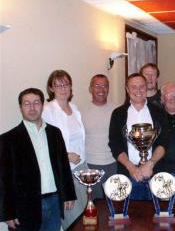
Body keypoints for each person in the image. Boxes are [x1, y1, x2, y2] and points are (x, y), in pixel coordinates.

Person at [0, 88, 76, 231]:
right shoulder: (8, 139)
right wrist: (8, 213)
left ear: (42, 105)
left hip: (53, 202)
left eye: (36, 103)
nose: (32, 108)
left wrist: (68, 195)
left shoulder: (54, 133)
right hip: (24, 207)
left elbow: (63, 166)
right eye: (27, 104)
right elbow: (4, 179)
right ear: (20, 107)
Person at [109, 73, 168, 200]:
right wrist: (131, 168)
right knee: (131, 216)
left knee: (156, 215)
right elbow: (115, 144)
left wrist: (150, 164)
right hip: (128, 173)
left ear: (146, 88)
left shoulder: (159, 112)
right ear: (127, 89)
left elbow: (164, 142)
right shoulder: (118, 114)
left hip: (154, 172)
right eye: (134, 87)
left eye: (142, 86)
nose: (138, 91)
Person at [42, 70, 88, 230]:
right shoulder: (48, 111)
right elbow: (44, 143)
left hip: (82, 167)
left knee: (86, 214)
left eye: (66, 84)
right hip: (65, 171)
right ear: (51, 88)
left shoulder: (74, 108)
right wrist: (66, 155)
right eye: (58, 85)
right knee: (73, 219)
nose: (63, 88)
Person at [81, 74, 117, 200]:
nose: (101, 89)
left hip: (113, 163)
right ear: (90, 89)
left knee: (114, 203)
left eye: (105, 86)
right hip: (91, 165)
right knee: (94, 204)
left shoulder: (117, 110)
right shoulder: (81, 111)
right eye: (97, 86)